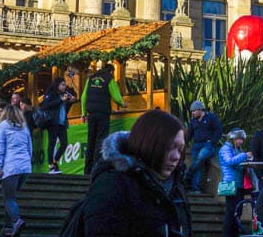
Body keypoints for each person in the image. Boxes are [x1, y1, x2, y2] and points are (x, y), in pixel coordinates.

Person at [81, 109, 191, 237]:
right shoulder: (111, 185)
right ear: (149, 143)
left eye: (180, 149)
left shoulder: (177, 190)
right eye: (169, 147)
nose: (176, 157)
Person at [0, 103, 32, 237]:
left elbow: (0, 149)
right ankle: (8, 227)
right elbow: (29, 147)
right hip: (25, 167)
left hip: (10, 166)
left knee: (8, 198)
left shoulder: (2, 127)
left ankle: (16, 220)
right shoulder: (24, 127)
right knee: (11, 197)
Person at [83, 63, 125, 175]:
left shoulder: (91, 79)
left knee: (91, 140)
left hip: (91, 113)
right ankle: (96, 168)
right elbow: (116, 95)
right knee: (100, 140)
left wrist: (83, 113)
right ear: (111, 71)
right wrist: (123, 104)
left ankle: (87, 170)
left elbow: (84, 96)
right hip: (103, 113)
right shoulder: (109, 79)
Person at [218, 130, 253, 237]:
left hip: (239, 184)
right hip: (230, 183)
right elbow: (229, 161)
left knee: (238, 210)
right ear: (233, 138)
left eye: (242, 139)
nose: (241, 142)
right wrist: (244, 156)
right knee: (231, 211)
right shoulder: (225, 148)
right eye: (239, 139)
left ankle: (234, 233)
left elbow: (237, 165)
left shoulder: (237, 149)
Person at [38, 78, 76, 174]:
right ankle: (51, 166)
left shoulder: (64, 95)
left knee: (64, 143)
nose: (64, 86)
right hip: (53, 122)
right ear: (57, 85)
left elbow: (65, 109)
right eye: (62, 84)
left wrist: (70, 102)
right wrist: (60, 100)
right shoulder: (51, 94)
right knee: (52, 143)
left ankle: (55, 161)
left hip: (62, 122)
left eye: (65, 85)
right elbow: (46, 105)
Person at [184, 100, 222, 193]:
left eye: (193, 111)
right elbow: (189, 134)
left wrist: (212, 141)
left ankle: (188, 175)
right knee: (198, 166)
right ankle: (195, 188)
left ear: (200, 109)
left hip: (207, 145)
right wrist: (183, 143)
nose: (192, 113)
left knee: (199, 159)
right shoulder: (193, 121)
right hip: (196, 145)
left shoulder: (211, 118)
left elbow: (219, 130)